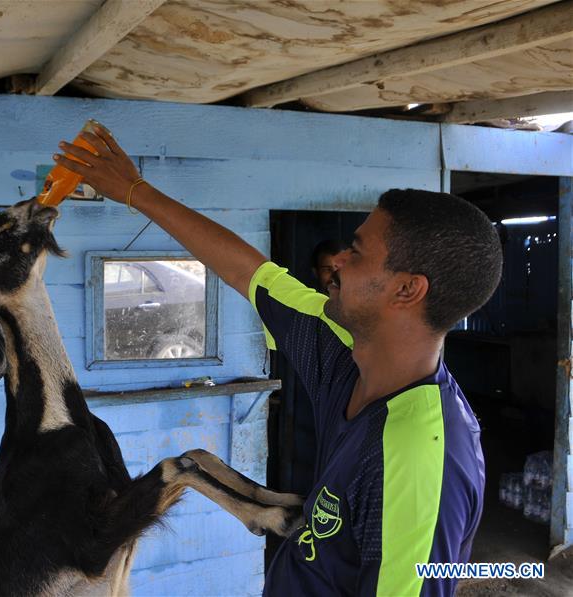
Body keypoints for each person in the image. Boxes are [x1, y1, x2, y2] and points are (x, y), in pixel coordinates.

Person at [53, 124, 501, 597]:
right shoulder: (343, 348)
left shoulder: (418, 456)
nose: (338, 264)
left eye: (357, 252)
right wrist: (133, 191)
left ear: (407, 289)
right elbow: (252, 273)